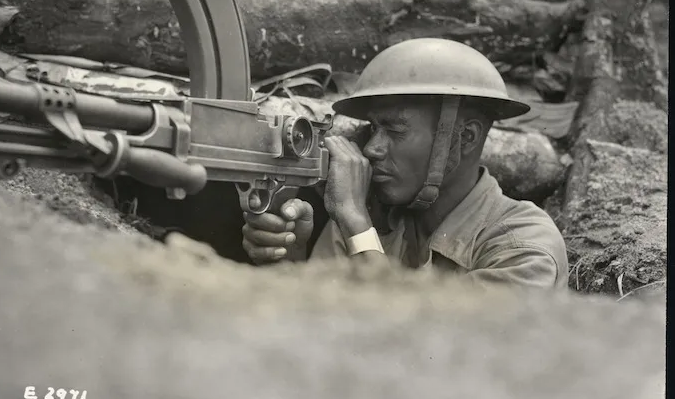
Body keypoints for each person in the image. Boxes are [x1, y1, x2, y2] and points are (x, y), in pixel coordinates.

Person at [242, 38, 568, 288]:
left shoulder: (523, 246)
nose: (372, 148)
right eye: (373, 129)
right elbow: (316, 332)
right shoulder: (372, 216)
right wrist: (290, 260)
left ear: (465, 138)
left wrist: (356, 225)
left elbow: (426, 351)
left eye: (395, 131)